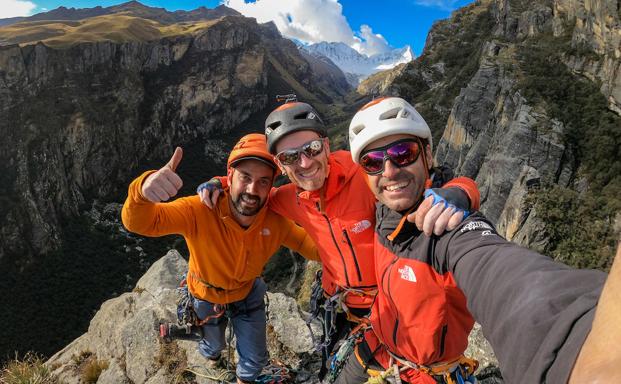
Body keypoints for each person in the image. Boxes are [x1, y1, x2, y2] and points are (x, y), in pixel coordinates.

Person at [334, 96, 612, 384]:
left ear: (427, 155)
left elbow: (497, 269)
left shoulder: (449, 229)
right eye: (373, 162)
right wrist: (465, 188)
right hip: (373, 346)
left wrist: (573, 340)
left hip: (425, 375)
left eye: (403, 152)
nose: (389, 171)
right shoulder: (382, 208)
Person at [197, 99, 480, 378]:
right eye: (290, 157)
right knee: (332, 367)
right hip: (339, 306)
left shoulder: (365, 174)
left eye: (311, 149)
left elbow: (428, 182)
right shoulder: (289, 197)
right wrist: (220, 183)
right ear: (281, 166)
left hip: (386, 304)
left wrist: (462, 192)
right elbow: (252, 191)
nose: (304, 163)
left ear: (326, 146)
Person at [121, 134, 319, 384]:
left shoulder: (275, 219)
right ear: (230, 176)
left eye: (262, 182)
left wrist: (349, 247)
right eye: (245, 177)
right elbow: (140, 222)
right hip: (206, 294)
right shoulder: (200, 210)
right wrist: (142, 191)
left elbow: (306, 244)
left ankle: (244, 378)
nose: (252, 190)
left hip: (247, 293)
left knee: (255, 358)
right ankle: (213, 358)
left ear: (271, 186)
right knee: (211, 342)